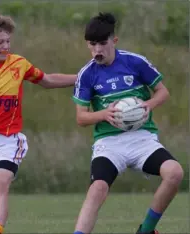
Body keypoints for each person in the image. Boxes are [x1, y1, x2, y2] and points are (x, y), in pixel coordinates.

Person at [0, 14, 77, 234]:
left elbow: (47, 80)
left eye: (8, 41)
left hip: (8, 140)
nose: (5, 46)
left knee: (1, 182)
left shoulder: (19, 64)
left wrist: (81, 76)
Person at [72, 12, 183, 234]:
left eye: (102, 43)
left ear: (114, 41)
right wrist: (104, 114)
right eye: (92, 45)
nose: (97, 50)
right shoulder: (87, 74)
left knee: (174, 173)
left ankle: (146, 230)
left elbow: (163, 92)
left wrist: (149, 105)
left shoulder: (135, 62)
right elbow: (81, 117)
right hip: (109, 142)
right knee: (98, 188)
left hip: (143, 138)